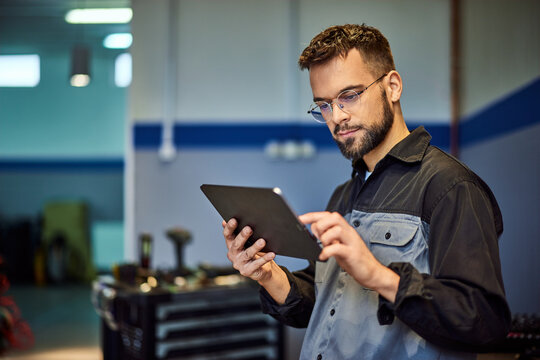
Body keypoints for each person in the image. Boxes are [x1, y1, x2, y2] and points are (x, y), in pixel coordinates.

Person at [222, 24, 510, 359]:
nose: (337, 117)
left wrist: (377, 275)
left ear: (392, 87)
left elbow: (485, 323)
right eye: (324, 105)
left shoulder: (450, 187)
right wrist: (267, 274)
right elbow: (323, 304)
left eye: (350, 95)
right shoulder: (343, 196)